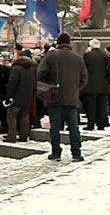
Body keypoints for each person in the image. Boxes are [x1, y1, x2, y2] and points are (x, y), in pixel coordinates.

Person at [37, 33, 88, 162]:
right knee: (73, 127)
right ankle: (76, 153)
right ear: (69, 43)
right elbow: (84, 79)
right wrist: (75, 89)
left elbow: (40, 74)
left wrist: (48, 86)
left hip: (54, 97)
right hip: (71, 98)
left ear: (58, 43)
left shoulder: (50, 57)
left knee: (55, 127)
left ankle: (56, 152)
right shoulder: (78, 58)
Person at [3, 50, 36, 143]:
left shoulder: (16, 68)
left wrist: (8, 96)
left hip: (16, 97)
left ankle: (11, 136)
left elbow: (12, 83)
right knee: (24, 117)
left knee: (11, 116)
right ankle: (24, 135)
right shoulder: (31, 69)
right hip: (27, 97)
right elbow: (34, 84)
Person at [82, 39, 110, 131]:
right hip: (103, 85)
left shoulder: (87, 55)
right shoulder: (105, 56)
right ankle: (101, 124)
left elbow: (83, 69)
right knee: (101, 106)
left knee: (91, 106)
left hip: (90, 85)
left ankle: (91, 124)